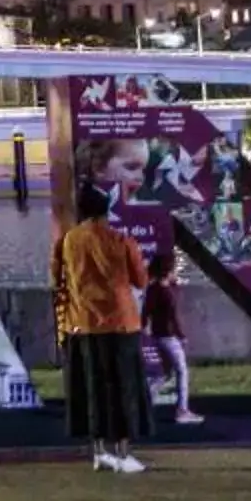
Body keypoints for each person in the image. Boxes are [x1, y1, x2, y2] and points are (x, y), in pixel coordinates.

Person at [54, 183, 153, 472]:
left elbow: (57, 279)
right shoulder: (120, 241)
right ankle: (124, 453)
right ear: (106, 210)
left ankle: (98, 452)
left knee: (91, 389)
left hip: (81, 323)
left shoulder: (67, 241)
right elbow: (141, 280)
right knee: (124, 388)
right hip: (121, 323)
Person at [144, 242, 200, 424]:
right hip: (169, 337)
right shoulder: (167, 292)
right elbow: (174, 317)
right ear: (168, 270)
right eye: (175, 268)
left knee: (164, 374)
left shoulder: (153, 288)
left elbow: (146, 312)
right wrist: (182, 335)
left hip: (157, 335)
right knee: (182, 371)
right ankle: (182, 411)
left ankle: (144, 404)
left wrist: (143, 327)